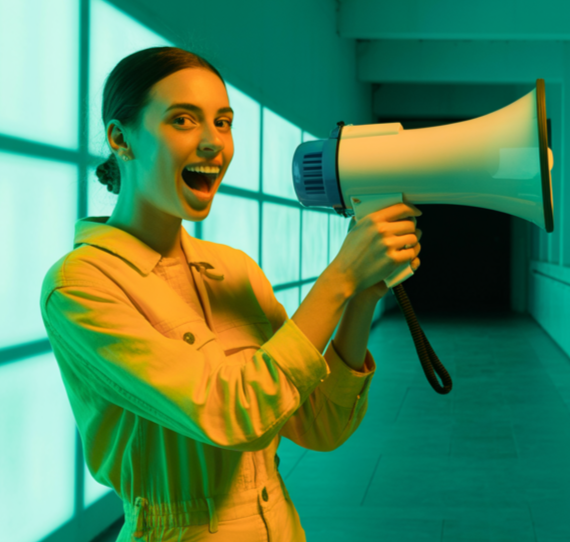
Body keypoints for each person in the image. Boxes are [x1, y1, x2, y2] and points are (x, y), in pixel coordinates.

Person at [40, 47, 422, 541]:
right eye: (183, 120)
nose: (213, 143)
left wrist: (363, 296)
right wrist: (340, 277)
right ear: (121, 139)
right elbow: (234, 412)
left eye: (223, 122)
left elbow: (321, 423)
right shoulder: (80, 286)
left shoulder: (234, 270)